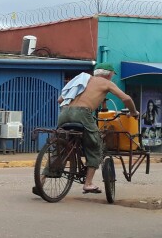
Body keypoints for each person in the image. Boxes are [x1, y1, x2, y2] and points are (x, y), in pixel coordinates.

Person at [56, 62, 138, 195]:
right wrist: (134, 112)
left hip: (64, 113)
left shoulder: (82, 79)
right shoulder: (106, 83)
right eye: (112, 75)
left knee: (60, 147)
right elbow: (126, 98)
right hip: (82, 114)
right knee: (95, 145)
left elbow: (60, 100)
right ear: (109, 74)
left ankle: (41, 179)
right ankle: (88, 184)